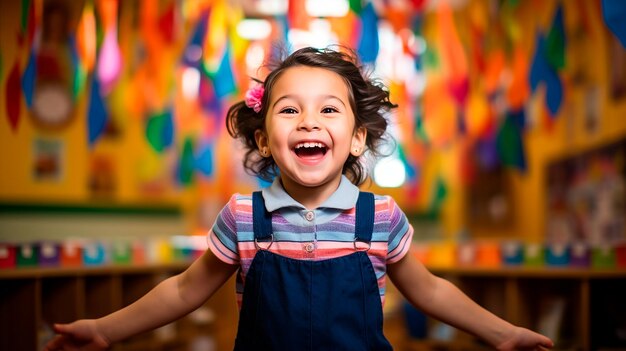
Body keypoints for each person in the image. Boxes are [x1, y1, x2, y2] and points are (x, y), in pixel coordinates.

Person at [44, 46, 553, 351]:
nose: (309, 121)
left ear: (357, 139)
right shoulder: (243, 217)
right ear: (264, 139)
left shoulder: (380, 218)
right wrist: (105, 330)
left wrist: (502, 333)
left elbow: (431, 291)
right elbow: (182, 291)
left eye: (329, 110)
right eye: (289, 111)